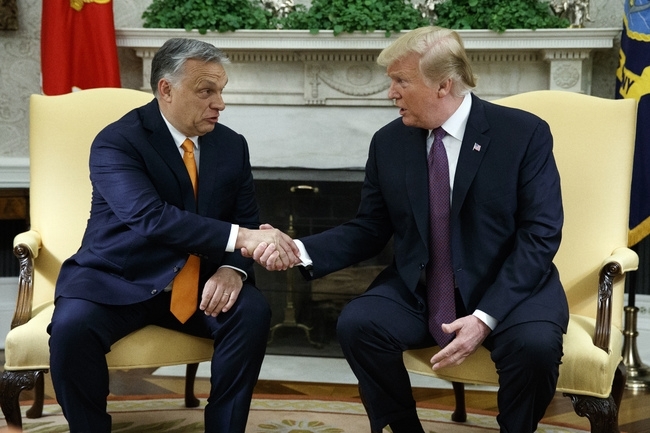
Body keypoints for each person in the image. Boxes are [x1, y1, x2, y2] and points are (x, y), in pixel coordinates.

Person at [247, 26, 569, 433]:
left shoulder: (523, 134)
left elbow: (540, 234)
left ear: (443, 85)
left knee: (535, 347)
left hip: (509, 289)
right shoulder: (389, 143)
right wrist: (298, 249)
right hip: (423, 289)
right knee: (359, 324)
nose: (391, 93)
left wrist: (485, 317)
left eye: (401, 81)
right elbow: (369, 228)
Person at [48, 38, 299, 433]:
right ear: (166, 89)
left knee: (251, 313)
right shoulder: (118, 141)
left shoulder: (231, 146)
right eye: (206, 91)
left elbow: (246, 218)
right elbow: (150, 217)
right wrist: (244, 239)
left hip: (199, 285)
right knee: (71, 330)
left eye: (221, 90)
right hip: (117, 279)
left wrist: (233, 269)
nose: (220, 103)